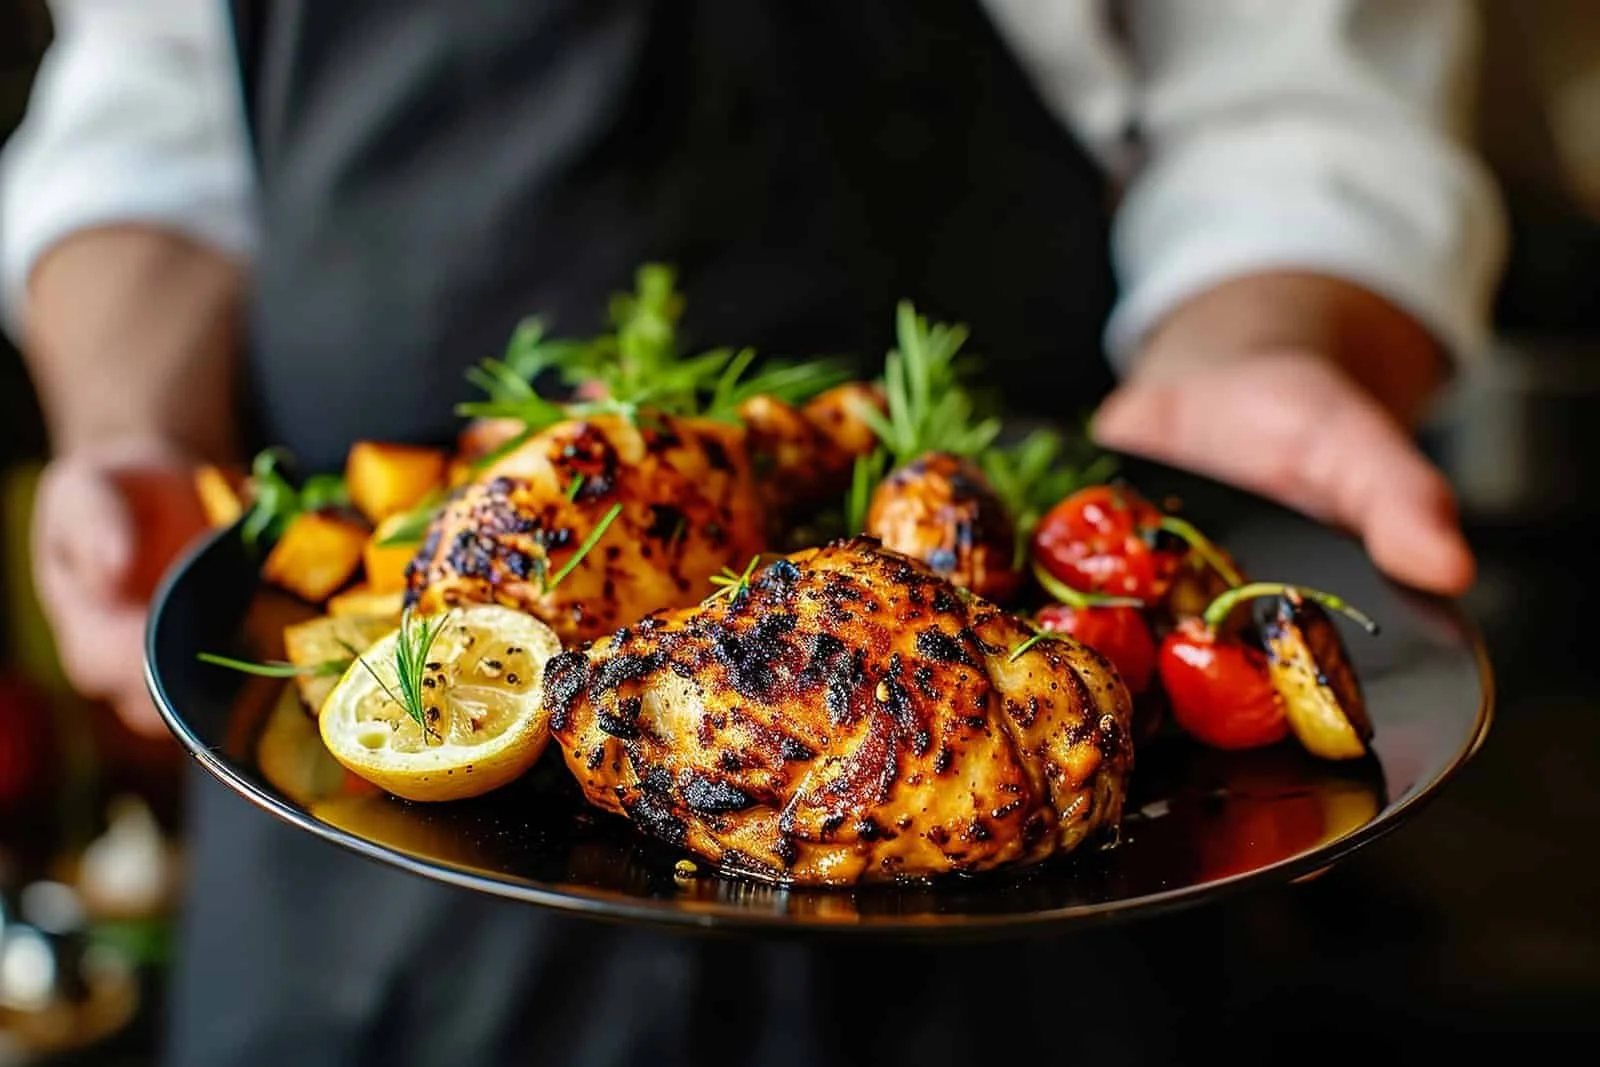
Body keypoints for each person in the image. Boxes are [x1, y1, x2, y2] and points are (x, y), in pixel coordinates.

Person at [1, 1, 1506, 1065]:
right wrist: (132, 429)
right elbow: (149, 122)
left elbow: (1304, 117)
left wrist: (1269, 344)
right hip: (354, 859)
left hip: (1050, 960)